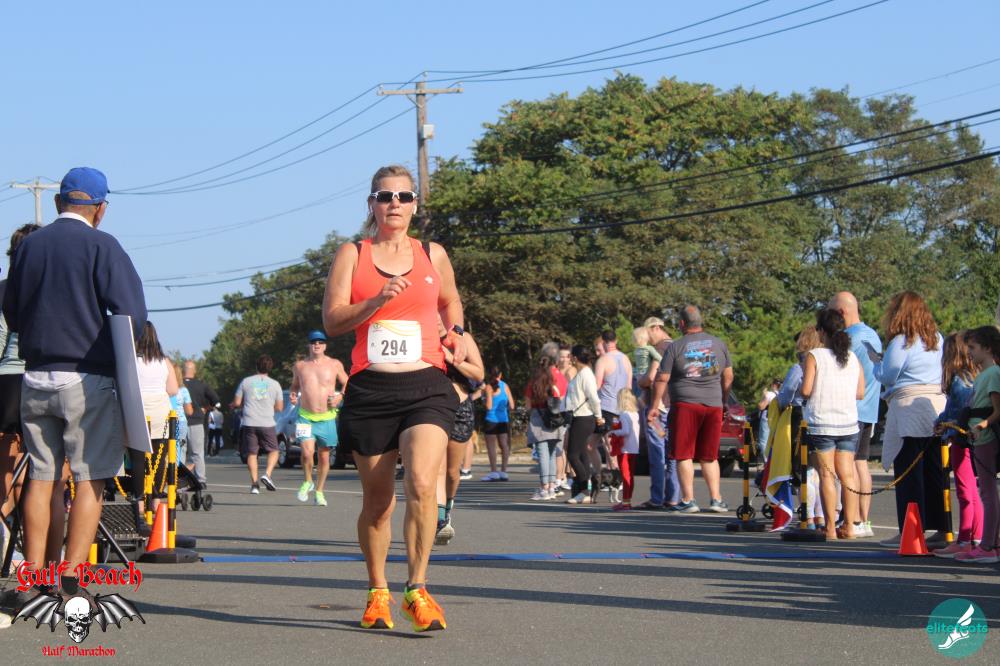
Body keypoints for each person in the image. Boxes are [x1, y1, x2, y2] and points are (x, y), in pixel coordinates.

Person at [323, 164, 466, 632]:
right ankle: (378, 591)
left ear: (414, 205)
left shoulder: (432, 254)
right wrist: (377, 301)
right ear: (372, 203)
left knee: (422, 483)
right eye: (385, 196)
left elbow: (450, 301)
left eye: (404, 196)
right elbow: (333, 321)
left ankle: (417, 590)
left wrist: (457, 331)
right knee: (379, 503)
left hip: (427, 386)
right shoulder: (353, 254)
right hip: (371, 390)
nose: (395, 204)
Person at [2, 166, 146, 598]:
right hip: (87, 378)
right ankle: (71, 578)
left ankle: (33, 577)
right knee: (89, 479)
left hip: (35, 376)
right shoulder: (104, 246)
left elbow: (11, 310)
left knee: (41, 477)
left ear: (58, 202)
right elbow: (132, 316)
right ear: (101, 209)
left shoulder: (30, 247)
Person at [869, 292, 948, 548]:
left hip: (909, 410)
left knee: (909, 472)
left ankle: (911, 530)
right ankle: (942, 528)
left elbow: (889, 375)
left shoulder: (902, 341)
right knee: (935, 471)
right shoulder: (937, 338)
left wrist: (875, 364)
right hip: (936, 407)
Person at [649, 306, 733, 513]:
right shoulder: (719, 344)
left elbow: (662, 378)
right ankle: (716, 499)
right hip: (713, 405)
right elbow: (728, 376)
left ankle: (688, 500)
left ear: (682, 324)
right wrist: (723, 401)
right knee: (709, 455)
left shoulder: (676, 346)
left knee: (683, 454)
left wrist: (654, 405)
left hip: (685, 404)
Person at [800, 309, 865, 540]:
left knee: (827, 476)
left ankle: (829, 528)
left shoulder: (815, 356)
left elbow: (806, 390)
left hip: (823, 423)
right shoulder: (852, 357)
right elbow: (860, 392)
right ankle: (849, 526)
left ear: (821, 332)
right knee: (847, 476)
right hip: (848, 422)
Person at [829, 291, 881, 538]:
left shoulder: (848, 338)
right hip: (870, 408)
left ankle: (853, 519)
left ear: (841, 312)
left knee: (847, 465)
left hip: (851, 408)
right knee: (861, 463)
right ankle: (863, 520)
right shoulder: (871, 334)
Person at [932, 332, 983, 558]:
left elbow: (959, 412)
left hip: (961, 441)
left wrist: (944, 424)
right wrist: (942, 420)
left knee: (965, 492)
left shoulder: (959, 381)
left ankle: (964, 540)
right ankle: (977, 538)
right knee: (974, 492)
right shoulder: (973, 377)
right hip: (974, 440)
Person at [129, 322, 180, 534]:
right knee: (160, 458)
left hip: (137, 409)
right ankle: (157, 502)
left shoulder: (131, 360)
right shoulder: (164, 361)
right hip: (160, 410)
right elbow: (173, 389)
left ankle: (139, 503)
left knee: (138, 459)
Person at [435, 322, 484, 544]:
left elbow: (479, 374)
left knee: (452, 472)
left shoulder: (463, 338)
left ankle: (447, 509)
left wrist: (449, 357)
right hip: (432, 406)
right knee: (437, 468)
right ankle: (438, 520)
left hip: (461, 407)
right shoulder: (419, 334)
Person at [955, 326, 1000, 563]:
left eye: (973, 347)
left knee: (988, 491)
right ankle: (993, 544)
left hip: (986, 438)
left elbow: (997, 410)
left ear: (988, 348)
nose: (969, 352)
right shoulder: (985, 375)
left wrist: (981, 425)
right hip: (979, 438)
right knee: (987, 490)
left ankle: (988, 546)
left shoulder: (992, 374)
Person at [290, 330, 348, 507]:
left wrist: (340, 396)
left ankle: (320, 491)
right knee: (307, 452)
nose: (317, 345)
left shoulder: (334, 364)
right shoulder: (300, 366)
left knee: (323, 457)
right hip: (305, 416)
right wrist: (293, 394)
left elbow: (347, 381)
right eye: (313, 342)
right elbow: (295, 385)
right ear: (309, 345)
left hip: (327, 417)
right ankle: (308, 480)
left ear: (325, 345)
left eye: (320, 342)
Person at [636, 316, 678, 510]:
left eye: (647, 332)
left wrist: (640, 381)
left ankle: (657, 497)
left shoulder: (659, 349)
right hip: (673, 405)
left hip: (658, 408)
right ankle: (673, 496)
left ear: (656, 328)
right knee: (672, 454)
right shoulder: (677, 346)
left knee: (657, 453)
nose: (647, 337)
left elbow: (651, 378)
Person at [233, 355, 284, 494]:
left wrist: (238, 405)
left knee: (252, 453)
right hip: (267, 422)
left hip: (249, 422)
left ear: (256, 366)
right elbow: (279, 407)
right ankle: (267, 474)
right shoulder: (275, 384)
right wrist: (269, 407)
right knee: (274, 451)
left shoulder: (246, 381)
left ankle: (254, 485)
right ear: (270, 368)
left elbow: (237, 402)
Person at [564, 345, 604, 504]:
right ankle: (584, 492)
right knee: (581, 454)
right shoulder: (580, 373)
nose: (569, 359)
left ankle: (585, 487)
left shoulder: (586, 374)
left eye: (570, 356)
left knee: (572, 455)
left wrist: (599, 417)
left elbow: (594, 397)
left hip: (584, 417)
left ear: (575, 358)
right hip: (577, 417)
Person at [525, 356, 567, 501]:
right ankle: (551, 487)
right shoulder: (557, 380)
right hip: (555, 420)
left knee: (543, 454)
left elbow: (528, 405)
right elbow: (562, 399)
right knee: (551, 454)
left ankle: (544, 488)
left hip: (538, 419)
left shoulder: (534, 382)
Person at [182, 360, 220, 488]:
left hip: (178, 422)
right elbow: (216, 401)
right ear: (195, 371)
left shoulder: (178, 384)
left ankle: (179, 480)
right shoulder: (201, 385)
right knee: (197, 453)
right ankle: (201, 480)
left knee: (180, 452)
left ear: (183, 370)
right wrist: (206, 408)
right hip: (196, 422)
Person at [481, 366, 514, 481]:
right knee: (504, 445)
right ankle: (504, 471)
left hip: (491, 420)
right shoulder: (505, 386)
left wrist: (484, 399)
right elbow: (512, 405)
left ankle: (494, 471)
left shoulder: (488, 387)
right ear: (500, 375)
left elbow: (489, 406)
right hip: (503, 420)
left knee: (492, 447)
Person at [609, 389, 640, 511]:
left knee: (625, 475)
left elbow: (625, 431)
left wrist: (613, 432)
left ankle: (626, 502)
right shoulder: (635, 414)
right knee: (630, 475)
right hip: (634, 448)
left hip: (625, 448)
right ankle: (627, 500)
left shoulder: (623, 414)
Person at [755, 380, 779, 458]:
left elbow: (761, 406)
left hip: (767, 418)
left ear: (773, 385)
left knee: (764, 441)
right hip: (777, 418)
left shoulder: (769, 394)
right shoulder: (780, 394)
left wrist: (763, 395)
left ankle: (766, 460)